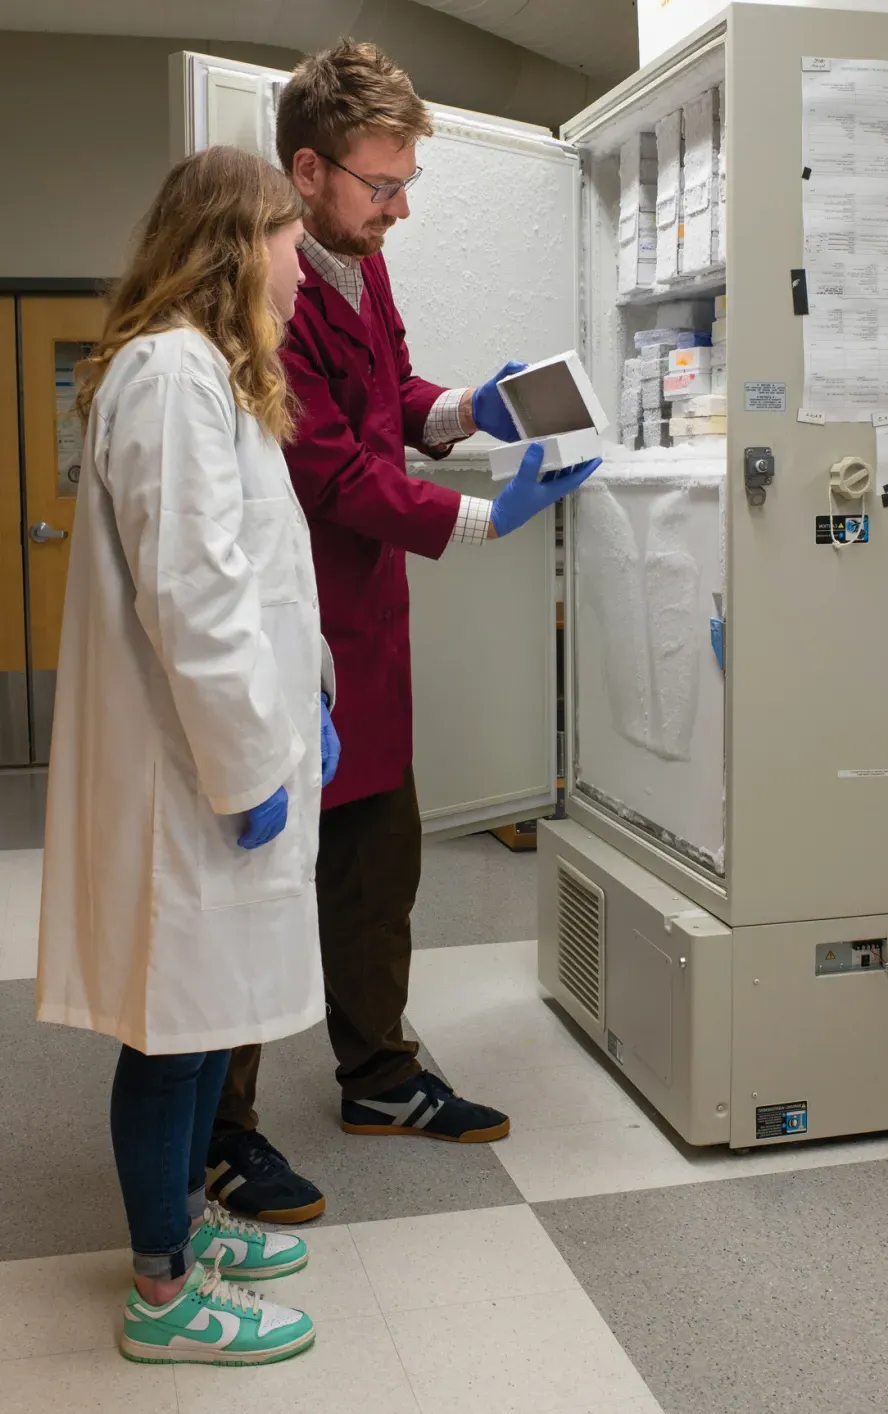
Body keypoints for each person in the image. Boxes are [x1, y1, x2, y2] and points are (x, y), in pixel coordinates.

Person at [205, 39, 598, 1224]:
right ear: (309, 170)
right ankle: (222, 1128)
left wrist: (466, 408)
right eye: (384, 185)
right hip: (291, 627)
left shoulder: (361, 265)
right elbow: (329, 469)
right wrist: (486, 520)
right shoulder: (263, 292)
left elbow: (392, 401)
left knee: (380, 865)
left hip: (368, 625)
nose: (402, 208)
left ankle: (377, 1074)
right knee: (262, 889)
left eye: (407, 181)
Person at [35, 146, 340, 1365]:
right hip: (191, 777)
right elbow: (193, 595)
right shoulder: (169, 372)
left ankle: (183, 1223)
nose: (304, 268)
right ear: (233, 240)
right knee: (173, 1032)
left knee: (209, 1023)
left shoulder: (214, 376)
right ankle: (162, 1297)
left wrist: (304, 702)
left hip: (228, 757)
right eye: (288, 238)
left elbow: (260, 579)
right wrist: (246, 767)